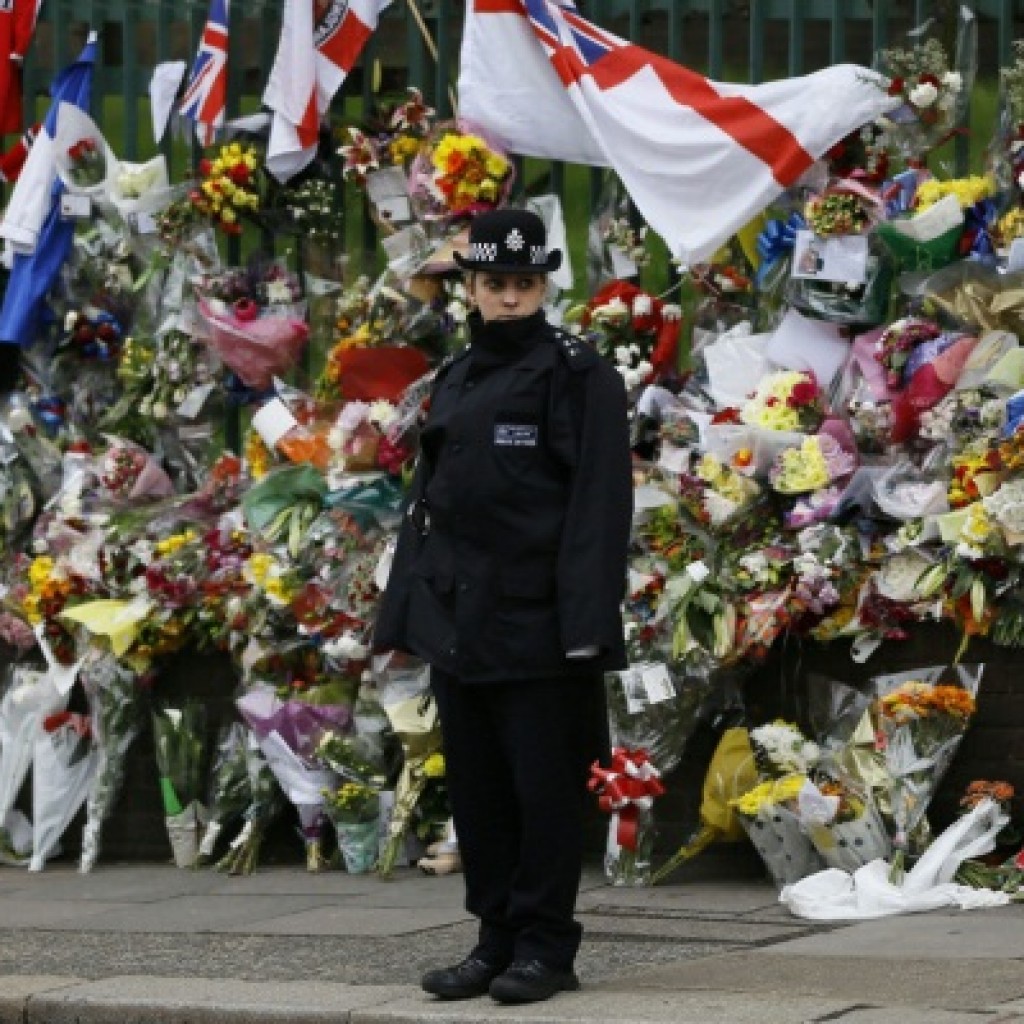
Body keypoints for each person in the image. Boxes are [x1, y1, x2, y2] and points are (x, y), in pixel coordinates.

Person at [372, 206, 633, 1005]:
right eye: (495, 284)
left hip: (541, 625)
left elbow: (598, 508)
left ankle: (547, 945)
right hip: (461, 622)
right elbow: (429, 505)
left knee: (541, 791)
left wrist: (587, 628)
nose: (510, 298)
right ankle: (495, 939)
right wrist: (403, 619)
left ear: (542, 286)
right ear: (472, 290)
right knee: (479, 793)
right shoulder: (454, 377)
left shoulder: (579, 373)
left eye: (524, 283)